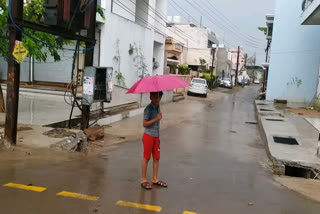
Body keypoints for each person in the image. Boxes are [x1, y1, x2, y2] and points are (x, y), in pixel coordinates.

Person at [141, 91, 168, 190]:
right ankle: (143, 179)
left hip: (157, 136)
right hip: (148, 135)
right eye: (155, 97)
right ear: (150, 97)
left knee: (157, 158)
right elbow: (144, 124)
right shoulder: (148, 109)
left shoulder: (158, 107)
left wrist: (158, 118)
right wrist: (156, 119)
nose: (157, 99)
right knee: (146, 158)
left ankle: (155, 178)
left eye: (159, 97)